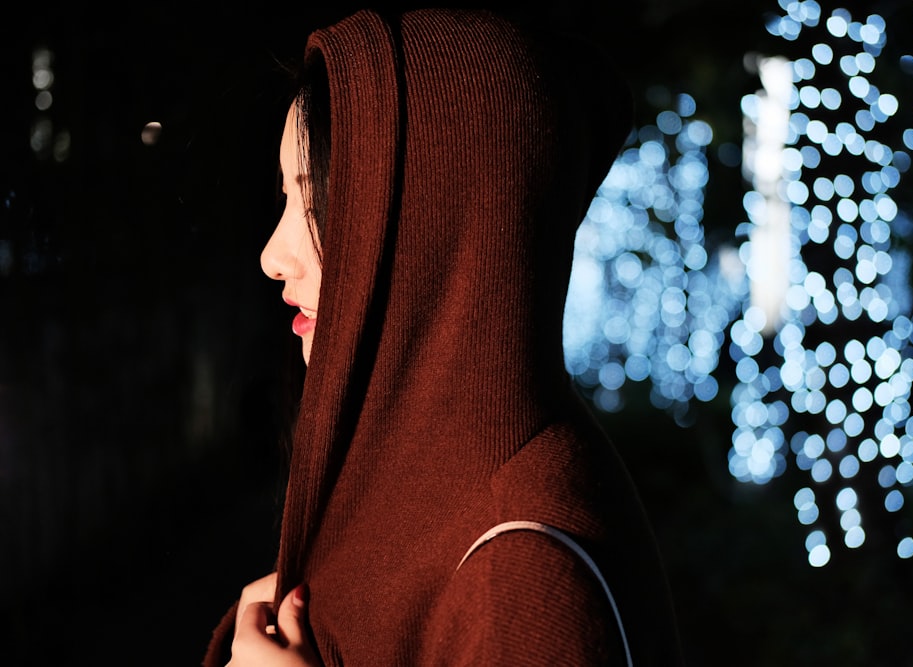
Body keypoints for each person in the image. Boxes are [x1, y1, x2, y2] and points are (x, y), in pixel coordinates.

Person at [204, 6, 684, 666]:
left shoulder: (526, 576)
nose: (273, 254)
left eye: (318, 204)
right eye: (286, 196)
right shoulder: (423, 489)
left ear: (436, 235)